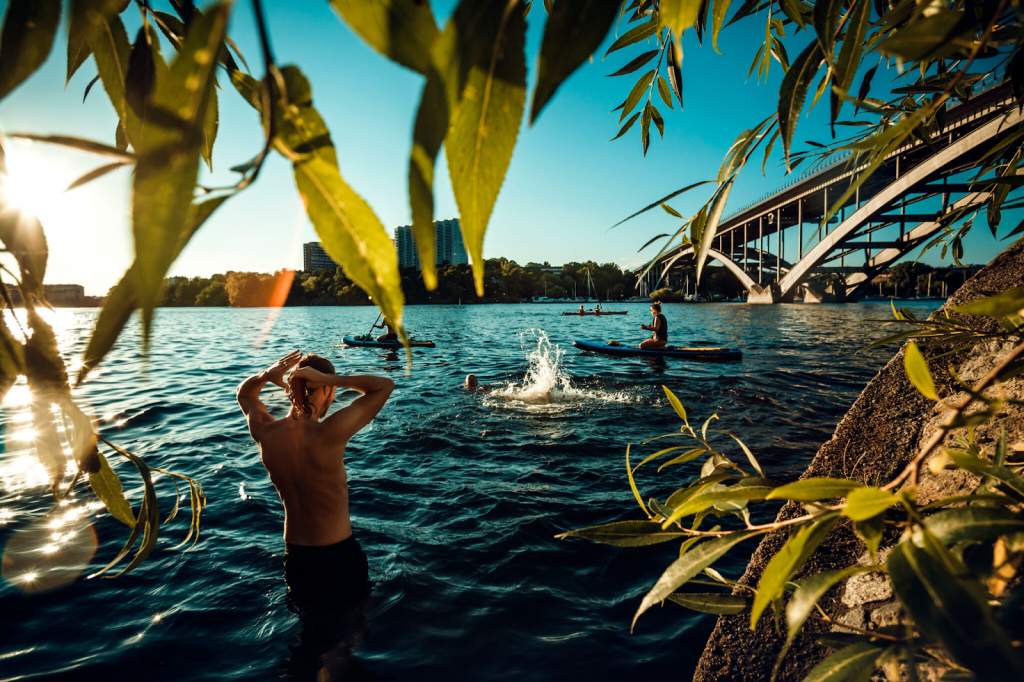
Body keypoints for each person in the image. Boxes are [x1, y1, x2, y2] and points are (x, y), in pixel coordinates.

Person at [236, 350, 395, 610]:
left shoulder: (266, 432)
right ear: (326, 389)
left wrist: (266, 375)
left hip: (297, 558)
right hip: (340, 555)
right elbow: (384, 386)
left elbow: (245, 394)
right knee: (349, 635)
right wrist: (332, 379)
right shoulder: (331, 432)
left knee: (309, 633)